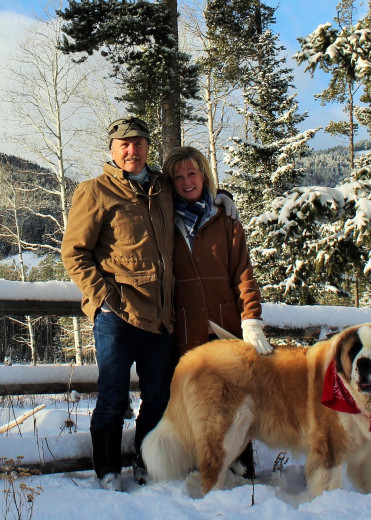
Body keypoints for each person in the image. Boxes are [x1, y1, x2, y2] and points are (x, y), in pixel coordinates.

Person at [61, 116, 175, 491]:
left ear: (147, 148)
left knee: (158, 396)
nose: (132, 150)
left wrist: (222, 200)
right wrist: (103, 299)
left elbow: (197, 196)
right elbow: (74, 252)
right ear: (111, 149)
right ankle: (107, 470)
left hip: (160, 317)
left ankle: (146, 461)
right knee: (112, 397)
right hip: (118, 315)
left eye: (139, 143)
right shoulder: (96, 191)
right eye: (124, 144)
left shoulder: (162, 188)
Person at [162, 145, 273, 479]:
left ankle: (241, 464)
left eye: (191, 173)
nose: (186, 182)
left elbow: (244, 276)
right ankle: (204, 465)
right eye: (178, 177)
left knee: (236, 398)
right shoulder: (164, 224)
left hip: (224, 327)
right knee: (198, 399)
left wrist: (251, 320)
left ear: (204, 174)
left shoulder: (226, 222)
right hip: (186, 329)